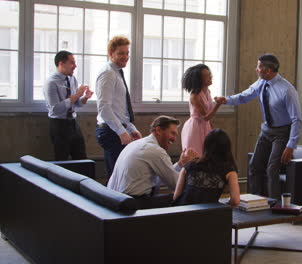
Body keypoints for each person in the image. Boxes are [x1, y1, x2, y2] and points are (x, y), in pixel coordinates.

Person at [215, 54, 302, 199]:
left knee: (272, 169)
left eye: (259, 66)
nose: (256, 69)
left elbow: (297, 119)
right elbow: (245, 96)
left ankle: (274, 206)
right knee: (254, 166)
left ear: (268, 70)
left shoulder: (287, 90)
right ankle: (255, 201)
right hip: (267, 130)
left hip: (282, 133)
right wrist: (226, 100)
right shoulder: (261, 82)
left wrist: (291, 145)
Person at [107, 115, 198, 209]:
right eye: (172, 133)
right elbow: (176, 184)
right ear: (158, 130)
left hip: (115, 200)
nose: (174, 139)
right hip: (131, 204)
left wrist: (180, 164)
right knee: (183, 197)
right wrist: (188, 166)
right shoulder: (155, 150)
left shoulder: (137, 144)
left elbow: (159, 179)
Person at [95, 36, 142, 177]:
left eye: (127, 53)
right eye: (121, 53)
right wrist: (121, 131)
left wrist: (130, 128)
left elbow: (119, 108)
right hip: (110, 131)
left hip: (116, 128)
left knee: (121, 174)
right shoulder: (108, 73)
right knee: (117, 176)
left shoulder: (116, 72)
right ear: (111, 53)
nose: (126, 57)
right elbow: (104, 107)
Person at [44, 50, 94, 161]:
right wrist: (77, 94)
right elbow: (56, 109)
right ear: (61, 64)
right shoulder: (51, 83)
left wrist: (85, 98)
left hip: (73, 122)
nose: (75, 66)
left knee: (81, 158)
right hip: (59, 124)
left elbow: (76, 104)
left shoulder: (72, 79)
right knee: (62, 160)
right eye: (72, 63)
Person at [173, 129, 240, 207]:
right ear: (227, 148)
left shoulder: (188, 166)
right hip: (207, 215)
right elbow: (235, 201)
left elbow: (176, 197)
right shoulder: (229, 171)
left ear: (206, 146)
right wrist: (223, 206)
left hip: (182, 214)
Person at [181, 64, 222, 155]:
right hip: (196, 127)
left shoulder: (208, 92)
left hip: (205, 126)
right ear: (199, 79)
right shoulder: (195, 96)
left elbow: (208, 117)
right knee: (196, 155)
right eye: (206, 75)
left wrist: (211, 127)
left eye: (210, 74)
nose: (210, 77)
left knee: (207, 154)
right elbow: (205, 117)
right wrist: (218, 104)